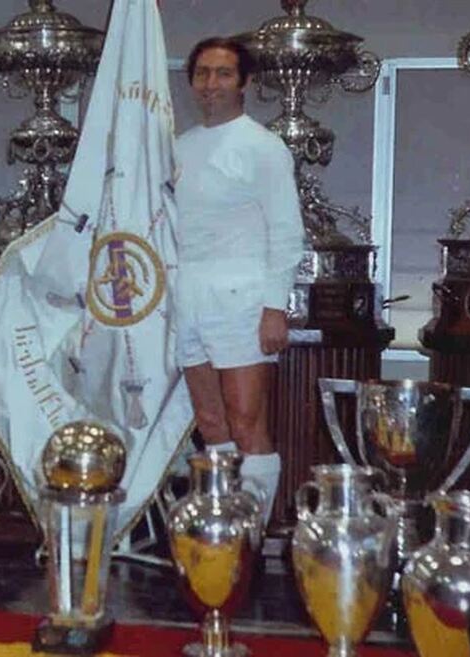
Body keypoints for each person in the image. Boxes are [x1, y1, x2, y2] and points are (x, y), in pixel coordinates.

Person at [173, 37, 305, 524]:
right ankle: (221, 526)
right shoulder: (178, 148)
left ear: (245, 82)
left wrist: (275, 307)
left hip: (243, 301)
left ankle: (249, 534)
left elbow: (287, 233)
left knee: (247, 423)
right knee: (210, 423)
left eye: (223, 73)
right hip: (187, 297)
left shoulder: (264, 148)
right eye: (203, 73)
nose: (212, 84)